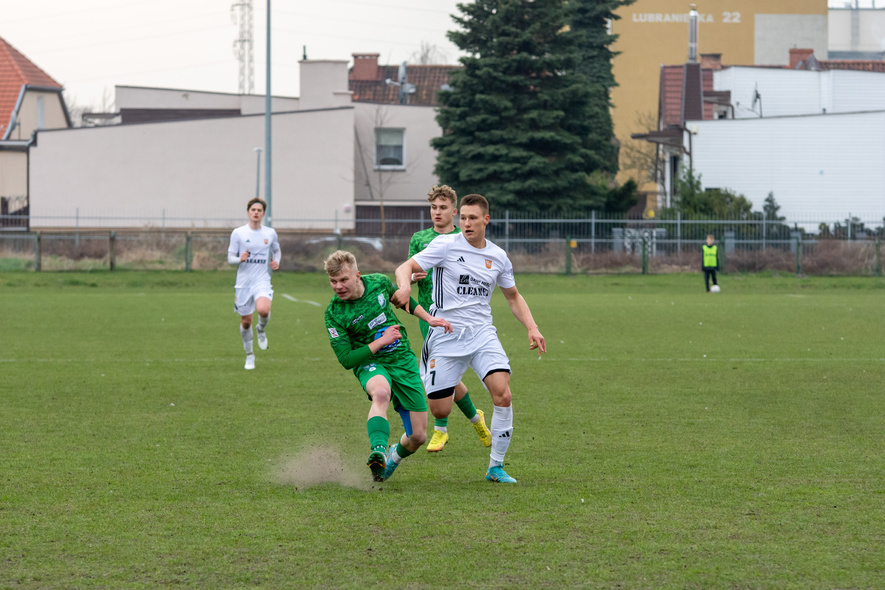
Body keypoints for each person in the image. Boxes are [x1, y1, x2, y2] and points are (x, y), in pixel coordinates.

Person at [393, 194, 546, 484]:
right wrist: (403, 287)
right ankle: (396, 452)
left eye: (473, 218)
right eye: (462, 218)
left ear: (486, 220)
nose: (466, 223)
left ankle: (495, 467)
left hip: (481, 333)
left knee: (503, 393)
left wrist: (532, 327)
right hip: (445, 335)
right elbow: (405, 268)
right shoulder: (444, 245)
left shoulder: (498, 256)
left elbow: (513, 297)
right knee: (440, 409)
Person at [323, 250, 453, 482]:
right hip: (369, 363)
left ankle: (392, 457)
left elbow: (403, 301)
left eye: (343, 280)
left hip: (402, 358)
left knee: (418, 436)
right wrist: (380, 341)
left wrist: (429, 318)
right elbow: (346, 359)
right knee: (381, 393)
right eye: (333, 281)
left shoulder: (379, 283)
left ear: (357, 276)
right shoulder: (334, 314)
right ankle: (379, 450)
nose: (338, 286)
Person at [408, 184, 492, 453]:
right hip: (428, 315)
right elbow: (409, 268)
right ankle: (474, 419)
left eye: (443, 208)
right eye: (433, 208)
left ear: (455, 212)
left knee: (445, 373)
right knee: (446, 374)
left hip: (461, 316)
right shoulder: (420, 238)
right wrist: (411, 277)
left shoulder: (463, 237)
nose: (437, 212)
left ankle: (440, 430)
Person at [227, 197, 280, 370]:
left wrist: (276, 262)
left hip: (262, 280)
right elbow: (230, 258)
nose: (256, 213)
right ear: (248, 212)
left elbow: (277, 250)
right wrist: (239, 259)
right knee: (246, 321)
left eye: (259, 210)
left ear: (263, 214)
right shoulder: (238, 233)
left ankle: (261, 330)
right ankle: (249, 355)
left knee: (264, 310)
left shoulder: (270, 233)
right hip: (243, 283)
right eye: (253, 210)